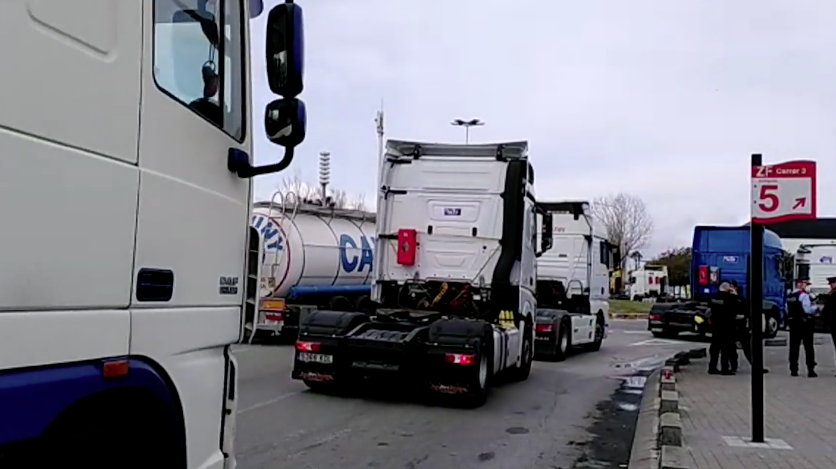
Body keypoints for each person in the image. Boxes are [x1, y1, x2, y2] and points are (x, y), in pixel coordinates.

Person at [729, 282, 768, 374]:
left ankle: (757, 366)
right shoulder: (728, 298)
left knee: (747, 348)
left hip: (741, 326)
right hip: (731, 326)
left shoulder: (741, 299)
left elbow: (747, 310)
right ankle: (733, 366)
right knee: (731, 348)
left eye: (733, 287)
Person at [787, 276, 818, 377]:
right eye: (806, 284)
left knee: (794, 347)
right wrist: (816, 308)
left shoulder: (790, 295)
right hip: (805, 324)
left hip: (793, 324)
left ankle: (793, 369)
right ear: (802, 284)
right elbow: (807, 310)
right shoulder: (804, 296)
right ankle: (810, 370)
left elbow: (786, 310)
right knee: (808, 347)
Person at [708, 282, 738, 375]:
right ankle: (725, 368)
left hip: (716, 325)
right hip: (727, 325)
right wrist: (735, 295)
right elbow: (735, 306)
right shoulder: (729, 298)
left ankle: (712, 367)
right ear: (727, 288)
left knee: (715, 347)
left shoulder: (713, 297)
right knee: (726, 347)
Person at [822, 276, 836, 374]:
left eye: (832, 284)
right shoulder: (832, 294)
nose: (831, 286)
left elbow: (829, 310)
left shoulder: (834, 295)